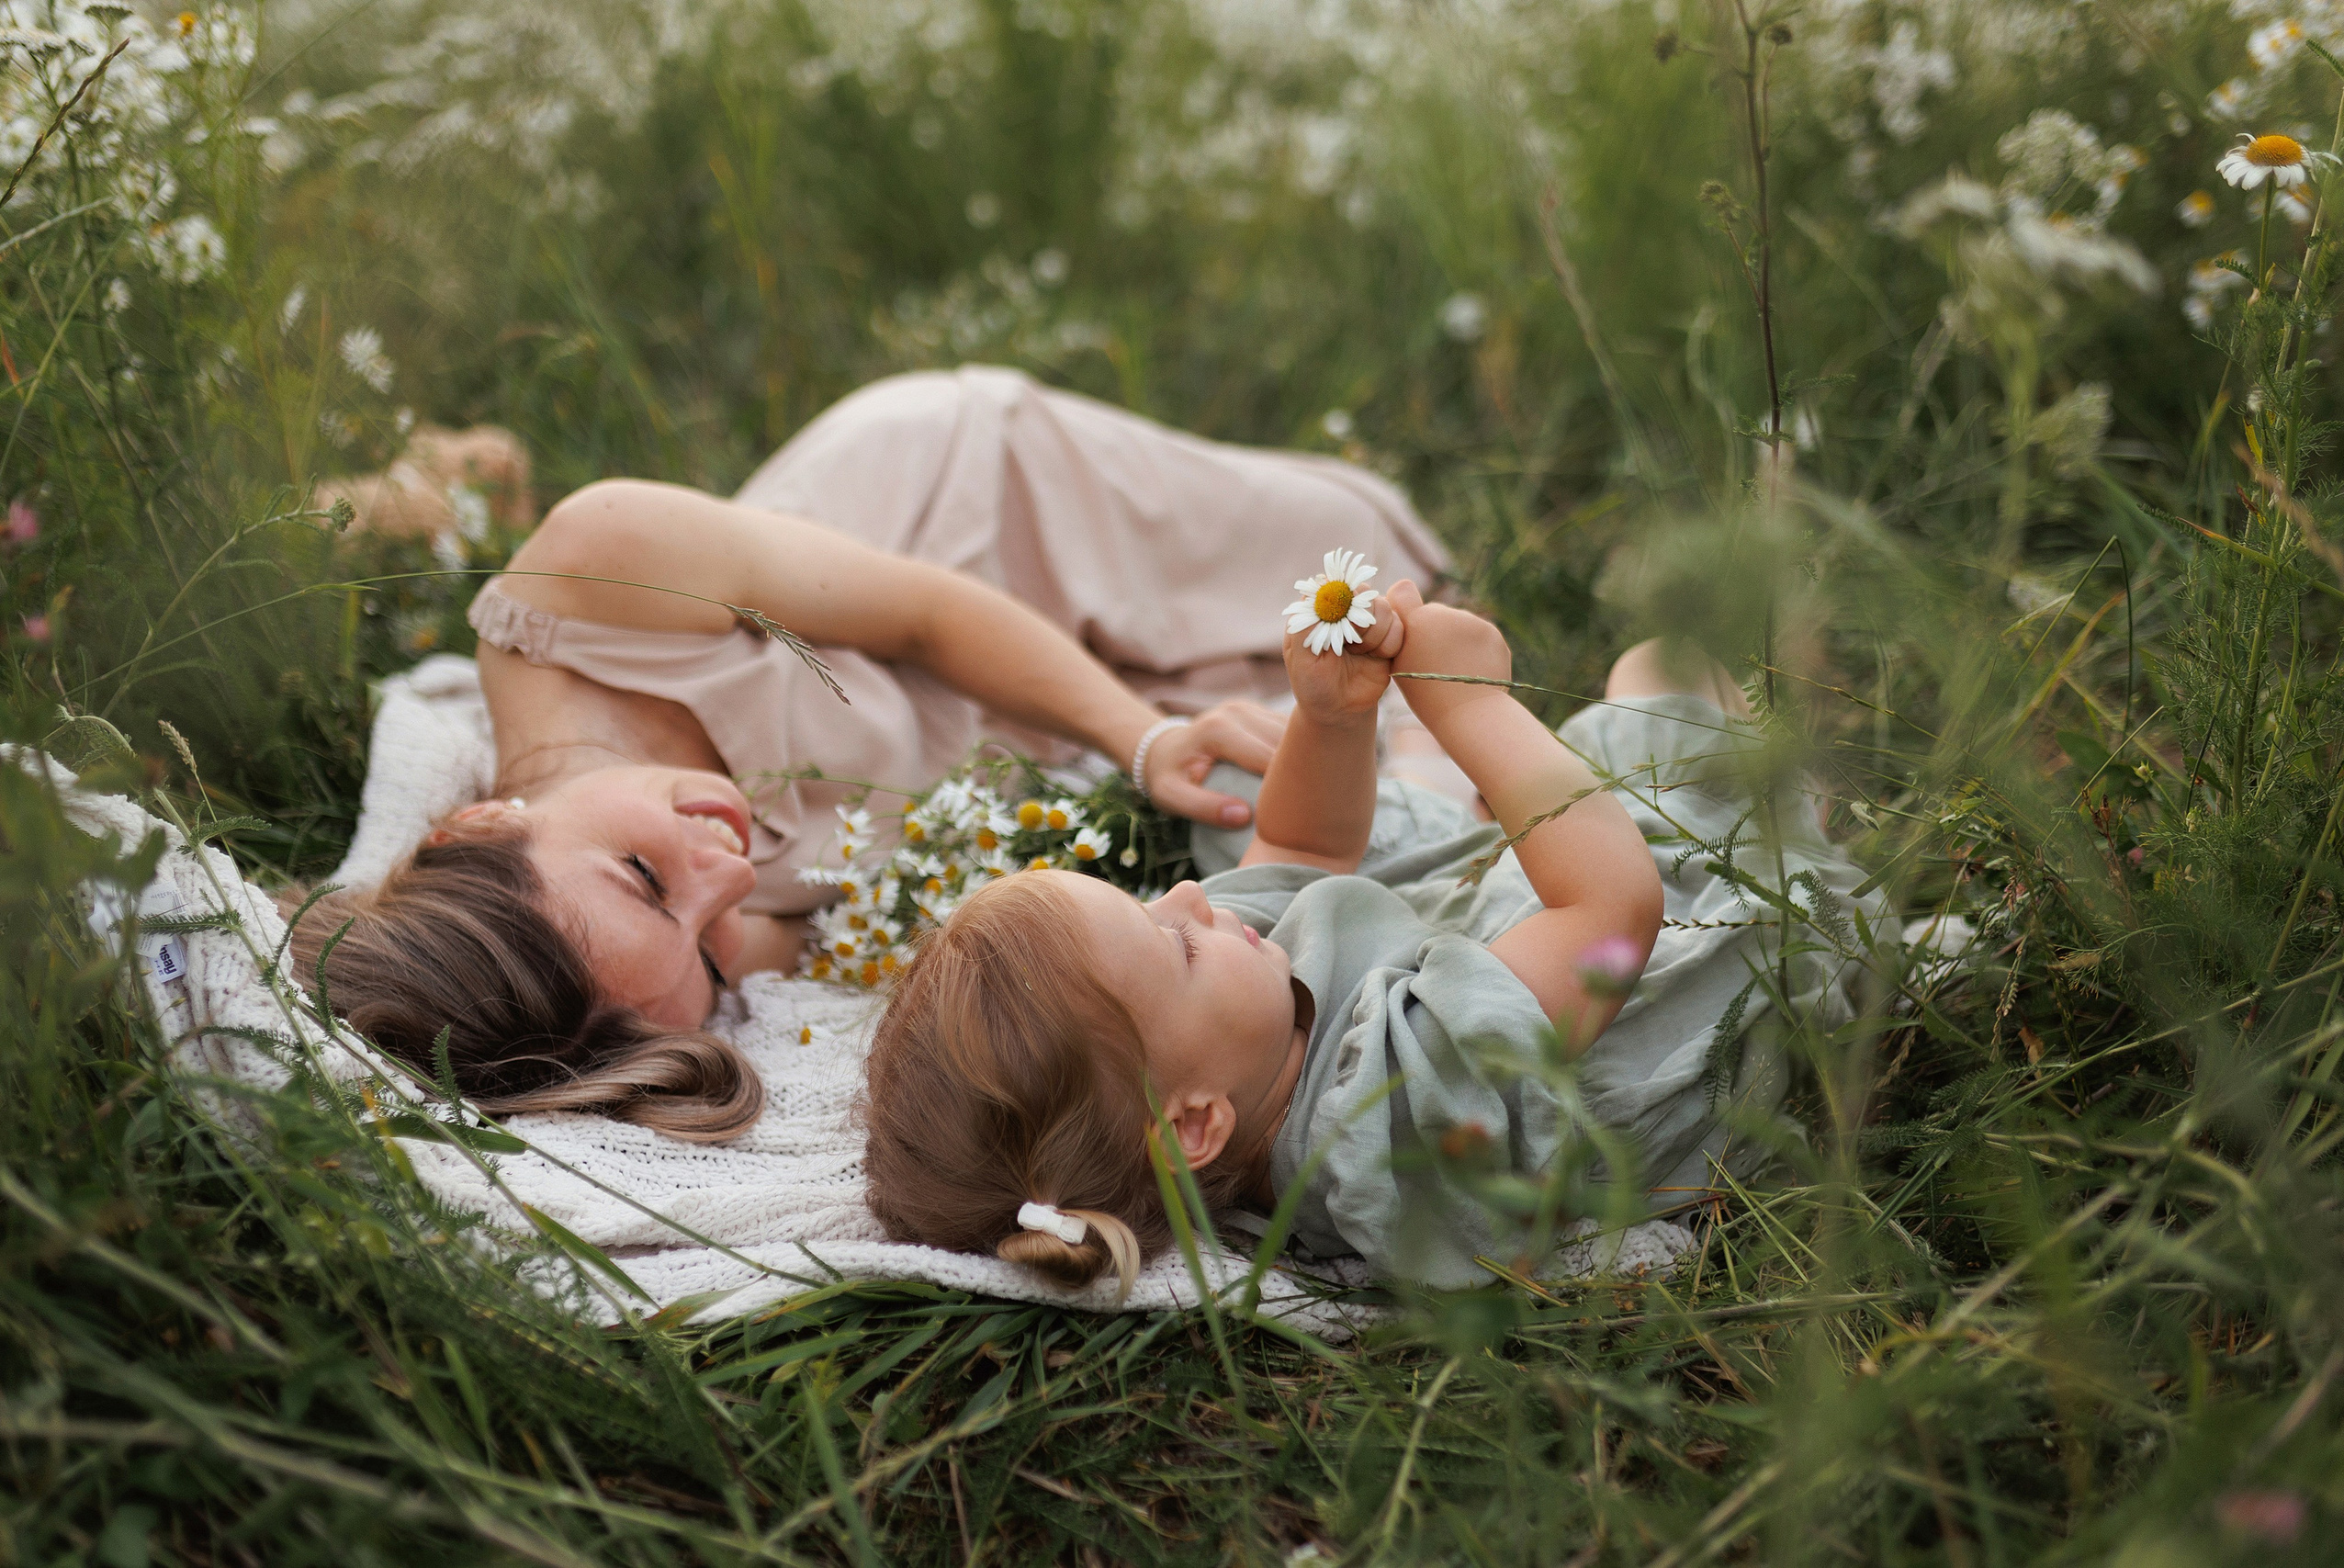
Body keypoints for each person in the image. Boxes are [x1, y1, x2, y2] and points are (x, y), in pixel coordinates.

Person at [287, 367, 1450, 1141]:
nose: (729, 872)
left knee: (1376, 558)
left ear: (479, 823)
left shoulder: (599, 567)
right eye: (708, 953)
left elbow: (928, 618)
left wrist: (1138, 739)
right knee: (1391, 714)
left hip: (963, 532)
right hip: (994, 736)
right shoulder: (664, 956)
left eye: (646, 876)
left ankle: (455, 489)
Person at [860, 581, 1893, 1292]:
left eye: (1144, 902)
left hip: (1536, 935)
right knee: (1665, 670)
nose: (1181, 899)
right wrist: (1472, 711)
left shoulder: (1235, 1035)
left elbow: (1299, 845)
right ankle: (1804, 822)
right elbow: (1611, 918)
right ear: (1192, 1127)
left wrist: (1334, 719)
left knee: (1644, 683)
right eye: (1166, 943)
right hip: (1671, 958)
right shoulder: (1396, 1112)